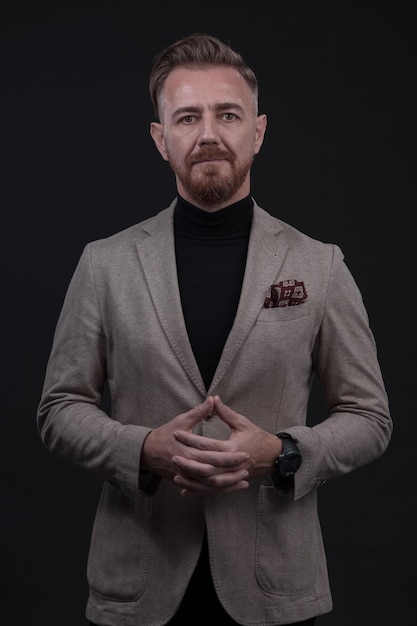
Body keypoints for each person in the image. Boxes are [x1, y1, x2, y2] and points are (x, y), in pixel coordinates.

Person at [37, 33, 392, 626]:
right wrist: (142, 449)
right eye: (187, 117)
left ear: (257, 131)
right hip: (139, 586)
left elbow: (370, 416)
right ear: (161, 139)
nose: (208, 134)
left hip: (275, 587)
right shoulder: (105, 264)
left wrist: (283, 454)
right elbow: (58, 407)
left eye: (228, 114)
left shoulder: (318, 265)